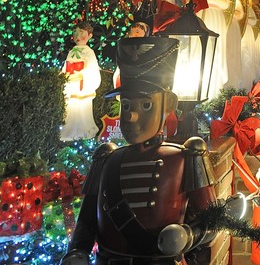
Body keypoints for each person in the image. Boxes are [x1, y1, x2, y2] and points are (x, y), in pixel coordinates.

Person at [61, 37, 223, 264]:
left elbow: (213, 221)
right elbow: (87, 220)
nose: (130, 115)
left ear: (169, 103)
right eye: (126, 105)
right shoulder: (106, 158)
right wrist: (77, 251)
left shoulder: (188, 155)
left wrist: (187, 236)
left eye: (146, 105)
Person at [186, 0, 239, 100]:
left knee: (213, 49)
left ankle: (213, 89)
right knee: (198, 49)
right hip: (199, 18)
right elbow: (191, 3)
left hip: (214, 18)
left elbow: (225, 4)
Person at [61, 21, 102, 141]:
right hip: (71, 84)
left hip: (82, 85)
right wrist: (63, 74)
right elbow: (66, 66)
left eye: (81, 32)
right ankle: (69, 131)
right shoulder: (72, 52)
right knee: (70, 109)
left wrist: (81, 74)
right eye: (75, 32)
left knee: (82, 110)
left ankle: (84, 131)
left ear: (89, 35)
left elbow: (92, 68)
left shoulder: (89, 52)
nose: (78, 36)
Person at [112, 21, 150, 89]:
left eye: (137, 32)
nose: (134, 34)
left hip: (139, 78)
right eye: (132, 32)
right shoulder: (123, 45)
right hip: (124, 75)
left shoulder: (145, 48)